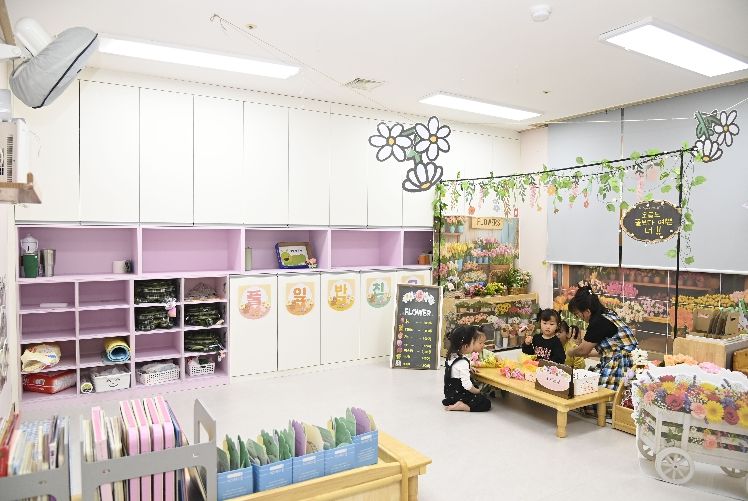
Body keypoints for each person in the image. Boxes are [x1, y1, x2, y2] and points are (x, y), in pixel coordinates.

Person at [567, 285, 639, 390]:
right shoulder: (608, 314)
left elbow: (583, 350)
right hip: (632, 362)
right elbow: (611, 350)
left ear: (587, 311)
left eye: (577, 314)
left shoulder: (598, 322)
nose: (579, 318)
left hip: (622, 366)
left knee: (595, 392)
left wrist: (570, 352)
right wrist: (585, 351)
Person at [442, 326, 491, 412]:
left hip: (450, 395)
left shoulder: (451, 356)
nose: (473, 345)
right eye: (472, 343)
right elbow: (467, 386)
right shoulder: (463, 362)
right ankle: (464, 406)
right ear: (465, 346)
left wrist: (469, 367)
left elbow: (456, 369)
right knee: (486, 403)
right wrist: (477, 391)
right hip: (460, 394)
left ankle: (457, 402)